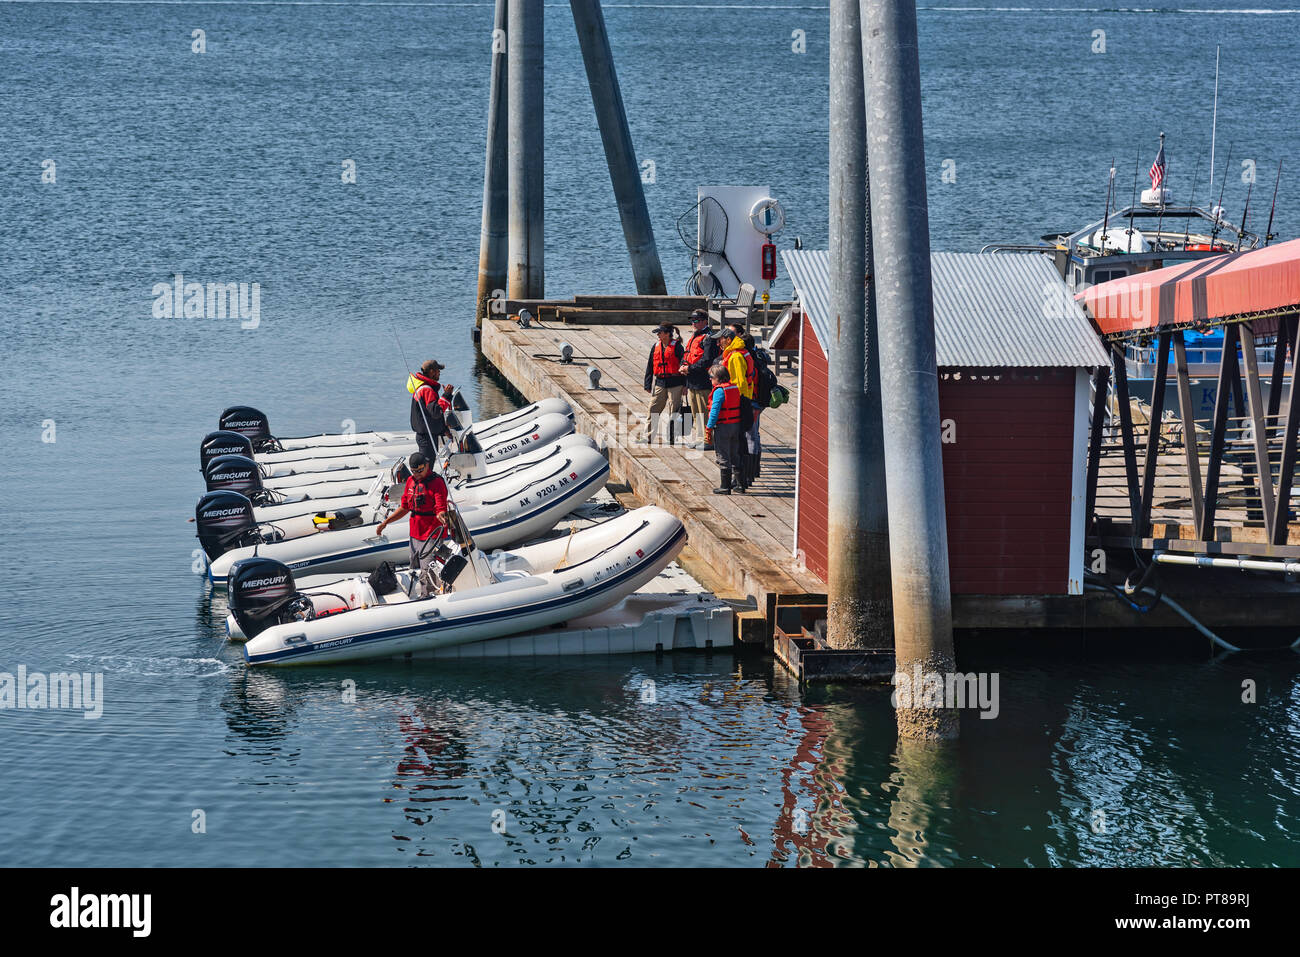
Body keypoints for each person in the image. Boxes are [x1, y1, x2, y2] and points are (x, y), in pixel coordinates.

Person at [376, 452, 449, 597]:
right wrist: (385, 522)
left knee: (428, 569)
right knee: (415, 566)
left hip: (431, 533)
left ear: (427, 466)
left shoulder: (437, 482)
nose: (417, 474)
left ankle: (429, 596)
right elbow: (405, 507)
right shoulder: (410, 481)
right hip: (415, 533)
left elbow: (440, 506)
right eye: (414, 471)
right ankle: (417, 592)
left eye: (420, 471)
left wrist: (441, 514)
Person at [719, 326, 756, 490]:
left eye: (720, 340)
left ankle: (741, 480)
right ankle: (741, 480)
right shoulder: (739, 352)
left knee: (739, 443)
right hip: (744, 400)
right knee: (740, 442)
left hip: (741, 402)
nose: (718, 343)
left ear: (728, 340)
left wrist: (733, 400)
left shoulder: (735, 357)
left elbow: (740, 382)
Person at [642, 322, 685, 445]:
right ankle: (648, 436)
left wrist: (685, 385)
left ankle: (672, 437)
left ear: (667, 334)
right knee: (653, 409)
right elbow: (650, 365)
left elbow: (683, 365)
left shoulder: (677, 347)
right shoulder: (655, 346)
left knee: (674, 411)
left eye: (660, 332)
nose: (658, 335)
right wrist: (648, 383)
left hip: (675, 382)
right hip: (660, 382)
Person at [682, 309, 719, 448]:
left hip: (703, 381)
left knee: (704, 411)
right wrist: (683, 365)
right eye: (692, 320)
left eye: (696, 320)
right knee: (695, 411)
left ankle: (708, 440)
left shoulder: (709, 337)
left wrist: (689, 368)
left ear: (704, 321)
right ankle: (699, 437)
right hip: (692, 381)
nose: (693, 323)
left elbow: (707, 360)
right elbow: (687, 354)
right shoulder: (694, 336)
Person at [705, 364, 742, 495]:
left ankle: (725, 487)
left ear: (718, 378)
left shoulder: (719, 391)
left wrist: (708, 428)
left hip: (723, 427)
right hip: (735, 425)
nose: (710, 379)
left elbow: (714, 412)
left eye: (711, 377)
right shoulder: (734, 387)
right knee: (734, 454)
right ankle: (739, 484)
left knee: (723, 455)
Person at [407, 359, 448, 462]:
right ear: (431, 372)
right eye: (438, 370)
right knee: (426, 469)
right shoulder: (427, 390)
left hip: (425, 435)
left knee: (427, 468)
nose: (439, 373)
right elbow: (435, 412)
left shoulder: (422, 388)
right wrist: (446, 396)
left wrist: (443, 430)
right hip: (427, 437)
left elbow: (428, 415)